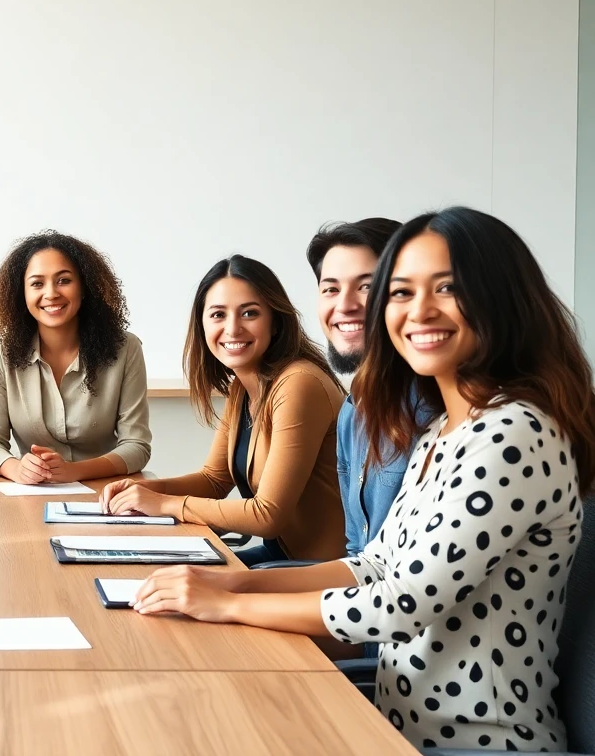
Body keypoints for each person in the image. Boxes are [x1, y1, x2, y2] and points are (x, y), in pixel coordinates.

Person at [130, 207, 595, 751]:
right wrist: (233, 583)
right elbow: (372, 564)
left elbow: (401, 602)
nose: (419, 310)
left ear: (502, 299)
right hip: (395, 722)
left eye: (446, 288)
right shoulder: (443, 430)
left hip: (477, 742)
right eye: (401, 292)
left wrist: (229, 605)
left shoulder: (513, 432)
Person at [100, 255, 346, 565]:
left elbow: (267, 515)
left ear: (275, 322)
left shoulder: (299, 384)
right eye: (218, 314)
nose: (233, 328)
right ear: (202, 324)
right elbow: (214, 481)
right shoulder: (242, 387)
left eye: (249, 313)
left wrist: (164, 503)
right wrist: (145, 489)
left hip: (321, 570)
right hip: (281, 555)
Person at [0, 230, 151, 483]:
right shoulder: (3, 354)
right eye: (37, 284)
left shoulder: (126, 348)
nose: (51, 294)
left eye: (64, 280)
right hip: (32, 493)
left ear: (84, 286)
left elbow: (137, 446)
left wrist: (73, 471)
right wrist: (17, 469)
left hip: (105, 491)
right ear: (22, 293)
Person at [307, 217, 414, 555]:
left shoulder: (435, 410)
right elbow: (358, 550)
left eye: (366, 286)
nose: (344, 305)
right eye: (331, 289)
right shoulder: (352, 412)